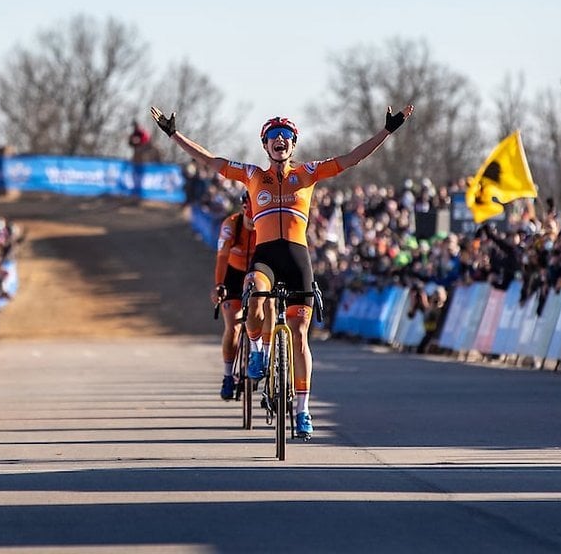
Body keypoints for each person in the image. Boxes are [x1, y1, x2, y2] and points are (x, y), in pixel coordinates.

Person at [150, 102, 413, 439]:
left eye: (286, 135)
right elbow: (211, 161)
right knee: (255, 292)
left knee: (300, 333)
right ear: (265, 145)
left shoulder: (307, 174)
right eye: (273, 136)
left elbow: (351, 158)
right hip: (266, 257)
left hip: (297, 257)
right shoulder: (252, 176)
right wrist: (175, 135)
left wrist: (388, 131)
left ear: (293, 144)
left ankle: (302, 411)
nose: (280, 140)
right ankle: (258, 352)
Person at [212, 190, 255, 400]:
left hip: (257, 275)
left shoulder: (267, 225)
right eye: (250, 214)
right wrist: (219, 285)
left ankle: (259, 356)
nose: (254, 220)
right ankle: (228, 375)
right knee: (234, 325)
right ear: (243, 209)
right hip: (233, 275)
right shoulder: (231, 225)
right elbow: (222, 257)